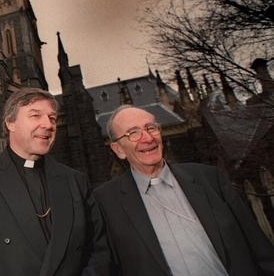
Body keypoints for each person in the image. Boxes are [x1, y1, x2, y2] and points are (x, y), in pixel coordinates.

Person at [0, 87, 110, 276]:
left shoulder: (75, 181)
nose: (48, 124)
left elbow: (99, 251)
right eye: (35, 116)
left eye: (52, 118)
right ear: (10, 123)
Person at [94, 105, 274, 276]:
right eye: (133, 133)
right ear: (118, 150)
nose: (148, 138)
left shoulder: (210, 179)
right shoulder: (105, 202)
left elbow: (259, 247)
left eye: (151, 128)